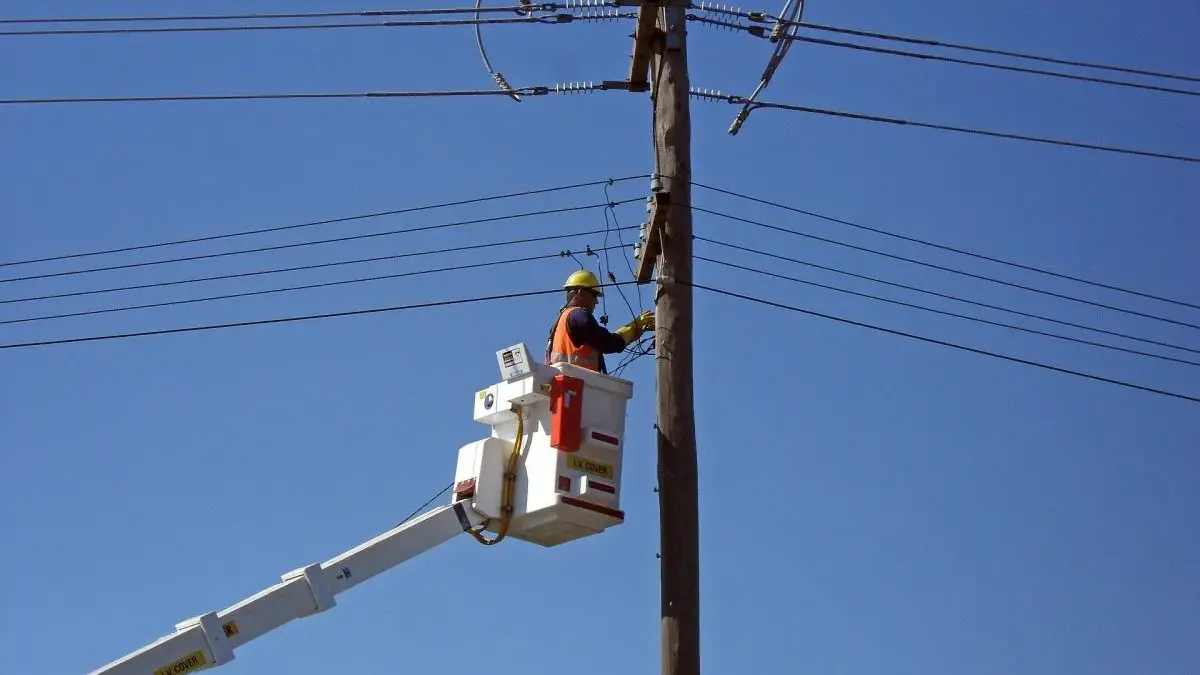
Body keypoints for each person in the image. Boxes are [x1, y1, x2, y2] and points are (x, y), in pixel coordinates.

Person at [544, 270, 655, 374]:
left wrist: (633, 332)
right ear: (581, 293)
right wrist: (634, 327)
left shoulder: (561, 321)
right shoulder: (579, 316)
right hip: (578, 384)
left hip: (567, 386)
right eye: (594, 295)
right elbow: (607, 342)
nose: (596, 301)